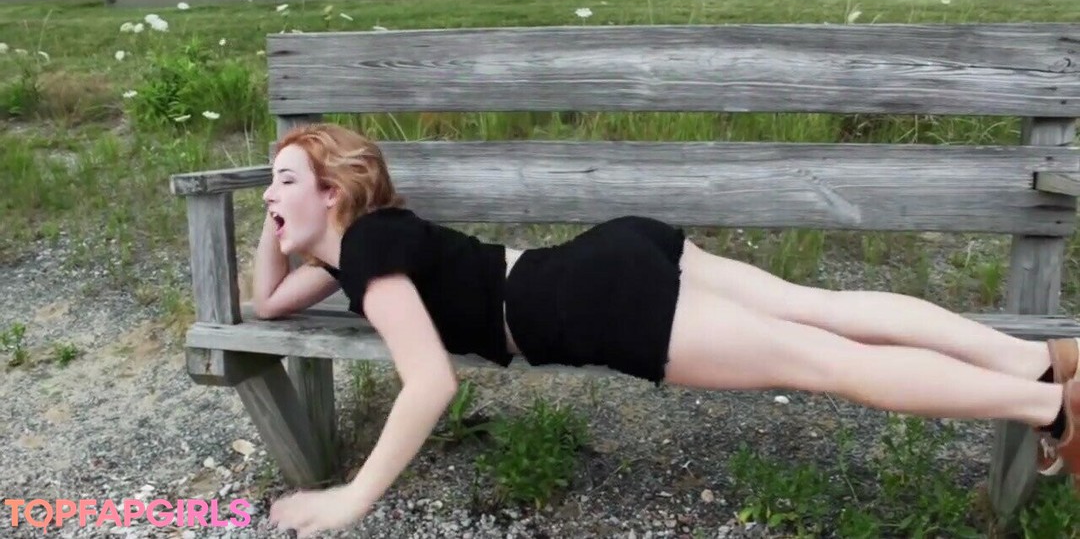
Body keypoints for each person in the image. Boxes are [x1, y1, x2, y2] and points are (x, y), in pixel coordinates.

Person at [260, 123, 1080, 537]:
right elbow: (268, 303)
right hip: (613, 252)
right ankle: (1038, 362)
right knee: (822, 310)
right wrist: (276, 222)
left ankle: (1053, 411)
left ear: (335, 191)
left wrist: (353, 499)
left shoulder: (369, 252)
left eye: (285, 181)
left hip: (590, 303)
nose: (269, 196)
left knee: (824, 362)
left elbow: (429, 381)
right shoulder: (359, 254)